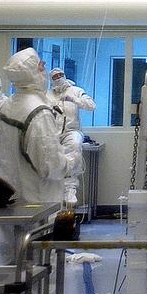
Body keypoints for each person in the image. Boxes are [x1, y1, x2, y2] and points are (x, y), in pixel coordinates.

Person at [0, 49, 81, 255]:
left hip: (13, 202)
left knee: (13, 266)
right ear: (32, 73)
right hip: (38, 205)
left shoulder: (8, 106)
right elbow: (50, 166)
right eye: (41, 67)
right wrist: (71, 159)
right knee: (39, 268)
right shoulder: (39, 112)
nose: (45, 70)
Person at [48, 69, 96, 204]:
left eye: (60, 75)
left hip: (71, 131)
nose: (58, 78)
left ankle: (70, 188)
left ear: (65, 76)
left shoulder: (76, 91)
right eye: (55, 77)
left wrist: (74, 99)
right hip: (52, 134)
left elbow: (91, 106)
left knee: (74, 147)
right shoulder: (47, 95)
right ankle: (52, 192)